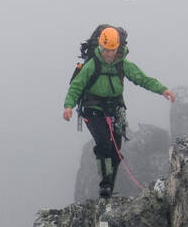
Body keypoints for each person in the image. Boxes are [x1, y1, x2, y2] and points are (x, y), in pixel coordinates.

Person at [62, 26, 176, 198]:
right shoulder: (92, 65)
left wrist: (162, 90)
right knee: (104, 145)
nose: (108, 54)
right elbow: (77, 85)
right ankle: (106, 185)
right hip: (92, 109)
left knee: (116, 151)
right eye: (105, 50)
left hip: (115, 108)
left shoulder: (123, 65)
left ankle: (109, 184)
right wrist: (68, 106)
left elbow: (142, 79)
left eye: (112, 50)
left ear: (118, 48)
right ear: (100, 47)